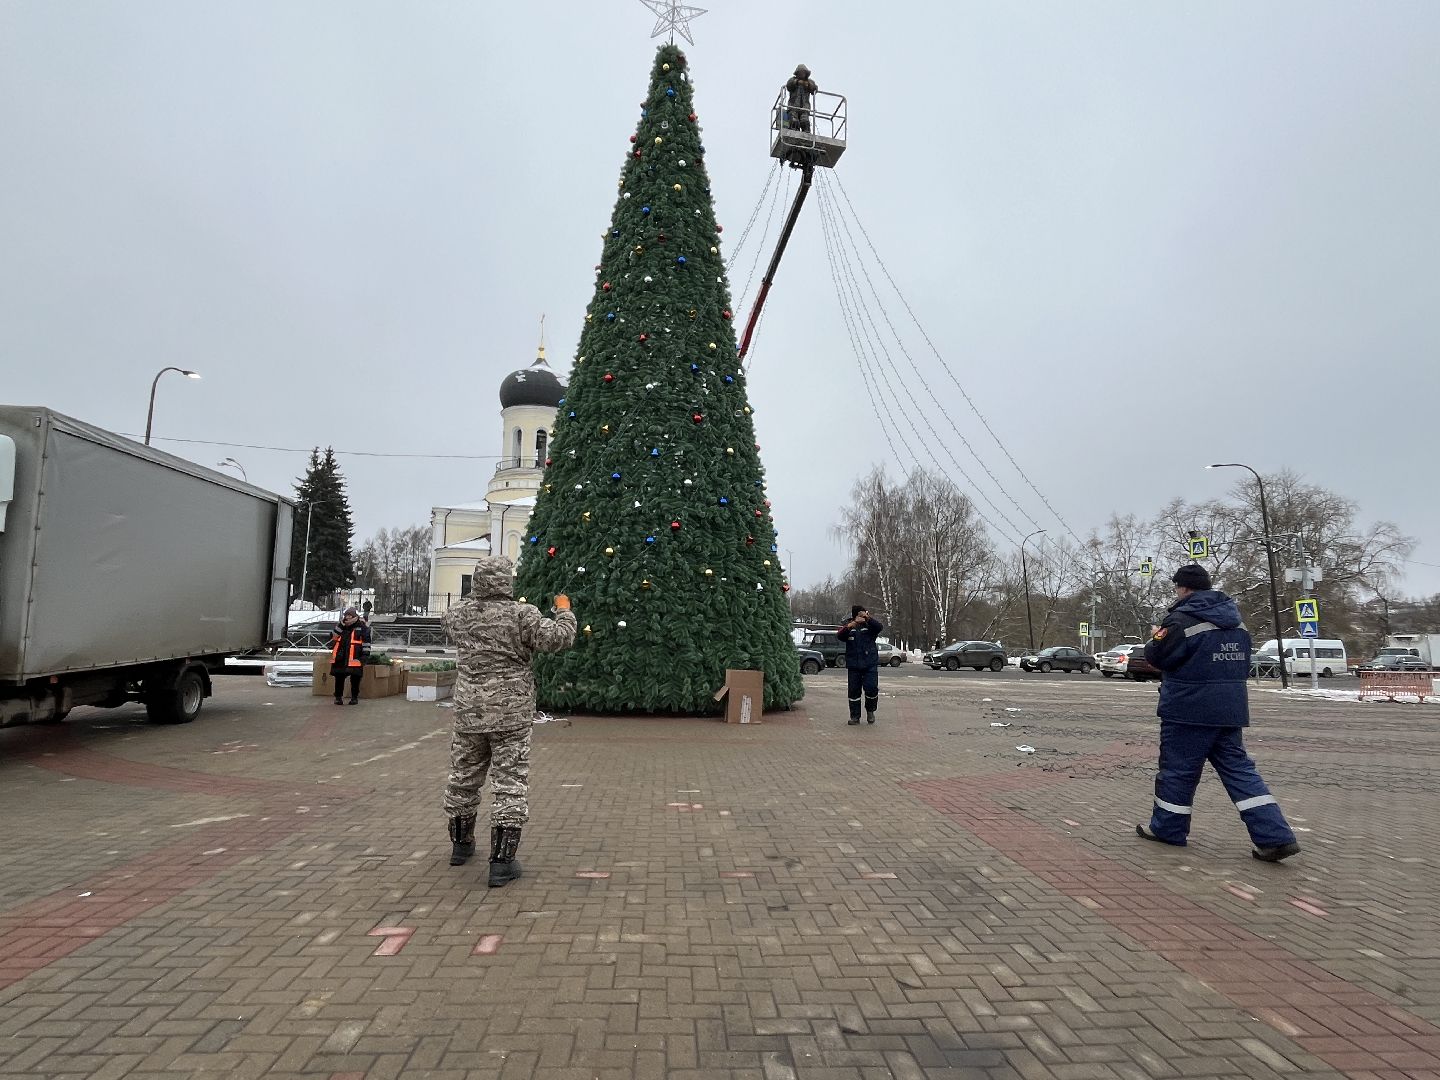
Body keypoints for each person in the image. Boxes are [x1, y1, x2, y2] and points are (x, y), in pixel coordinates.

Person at [1136, 564, 1301, 862]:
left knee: (1178, 772)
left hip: (1188, 710)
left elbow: (1157, 656)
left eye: (1177, 587)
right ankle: (1275, 836)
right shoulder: (1236, 622)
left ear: (1184, 588)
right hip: (1230, 710)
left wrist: (1154, 638)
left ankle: (1167, 829)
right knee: (1240, 771)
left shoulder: (1181, 620)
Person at [441, 556, 577, 887]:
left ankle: (461, 846)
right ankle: (502, 863)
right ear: (507, 581)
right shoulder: (522, 614)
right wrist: (564, 610)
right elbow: (558, 638)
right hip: (510, 715)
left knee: (464, 777)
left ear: (477, 581)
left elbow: (448, 626)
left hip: (469, 713)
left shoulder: (458, 614)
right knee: (509, 783)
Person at [837, 605, 883, 726]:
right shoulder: (849, 627)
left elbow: (879, 627)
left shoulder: (870, 626)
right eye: (859, 614)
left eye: (863, 614)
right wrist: (849, 626)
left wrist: (868, 618)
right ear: (854, 616)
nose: (861, 617)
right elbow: (839, 636)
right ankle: (855, 716)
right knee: (853, 692)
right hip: (854, 665)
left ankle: (870, 711)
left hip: (870, 664)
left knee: (871, 689)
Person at [328, 606, 371, 705]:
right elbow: (333, 637)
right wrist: (340, 626)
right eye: (346, 615)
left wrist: (365, 655)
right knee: (339, 678)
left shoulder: (362, 627)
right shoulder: (342, 626)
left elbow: (366, 642)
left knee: (355, 679)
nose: (347, 617)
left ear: (354, 616)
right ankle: (338, 697)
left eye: (349, 615)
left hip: (355, 657)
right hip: (341, 657)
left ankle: (354, 697)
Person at [784, 64, 817, 132]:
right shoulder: (792, 80)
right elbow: (789, 85)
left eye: (803, 72)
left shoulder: (809, 81)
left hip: (805, 107)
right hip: (793, 106)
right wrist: (797, 82)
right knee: (794, 121)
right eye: (800, 72)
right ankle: (794, 130)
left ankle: (806, 133)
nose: (802, 74)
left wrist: (809, 85)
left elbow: (815, 89)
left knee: (805, 121)